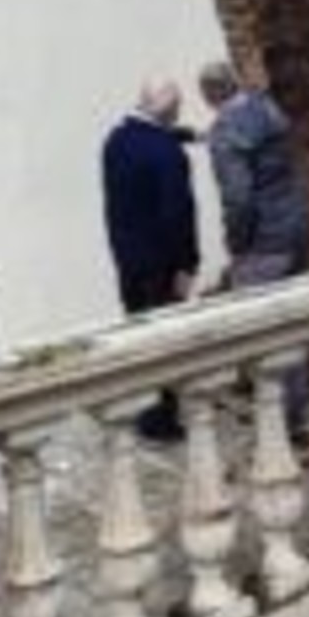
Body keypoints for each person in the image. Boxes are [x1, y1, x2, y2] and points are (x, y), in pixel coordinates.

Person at [102, 78, 200, 439]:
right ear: (169, 109)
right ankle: (161, 421)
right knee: (163, 340)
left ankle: (146, 411)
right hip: (162, 262)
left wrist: (177, 136)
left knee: (138, 335)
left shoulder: (115, 141)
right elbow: (178, 214)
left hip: (127, 257)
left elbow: (142, 156)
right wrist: (187, 264)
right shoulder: (167, 154)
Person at [199, 62, 307, 287]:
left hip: (263, 244)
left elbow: (239, 199)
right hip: (294, 228)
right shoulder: (266, 108)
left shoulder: (225, 136)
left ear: (208, 96)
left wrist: (236, 243)